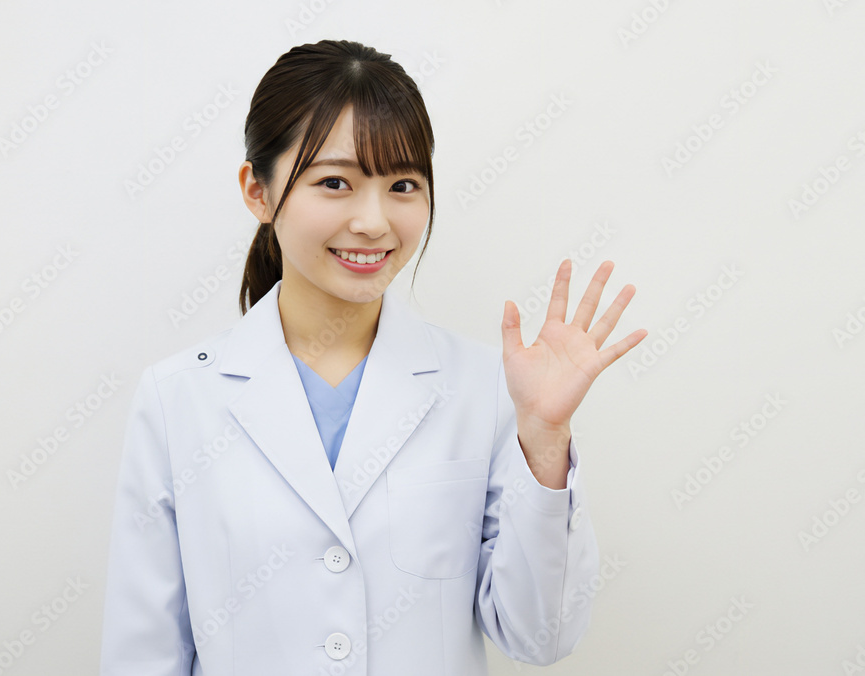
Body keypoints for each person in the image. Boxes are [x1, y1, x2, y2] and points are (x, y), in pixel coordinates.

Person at [99, 39, 647, 676]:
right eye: (335, 182)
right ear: (258, 192)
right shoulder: (177, 398)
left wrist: (546, 441)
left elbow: (539, 638)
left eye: (403, 185)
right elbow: (143, 654)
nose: (373, 221)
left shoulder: (488, 388)